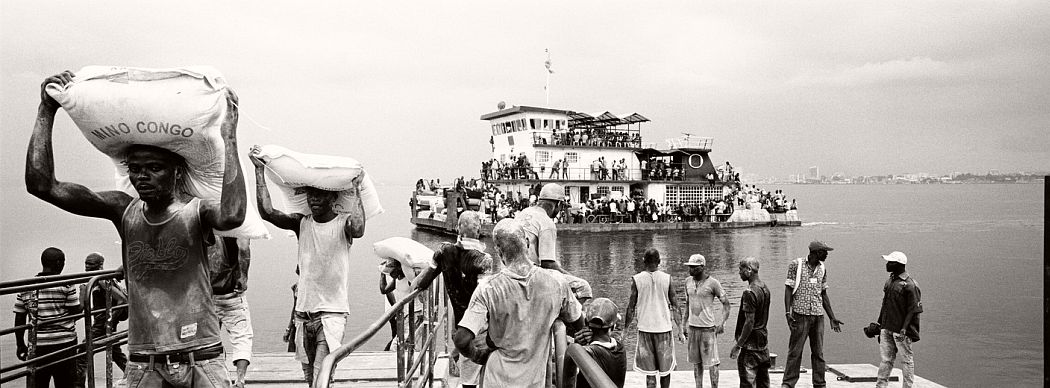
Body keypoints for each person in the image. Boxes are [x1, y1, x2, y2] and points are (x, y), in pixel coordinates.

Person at [26, 72, 245, 387]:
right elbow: (43, 186)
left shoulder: (196, 211)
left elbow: (234, 215)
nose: (143, 177)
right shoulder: (123, 209)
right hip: (145, 361)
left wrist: (229, 136)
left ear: (176, 172)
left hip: (201, 356)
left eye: (154, 168)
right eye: (136, 169)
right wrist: (46, 109)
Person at [250, 147, 366, 387]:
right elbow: (268, 212)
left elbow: (359, 229)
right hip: (304, 316)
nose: (313, 199)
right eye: (310, 195)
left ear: (333, 198)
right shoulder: (301, 223)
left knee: (320, 378)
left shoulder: (344, 225)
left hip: (331, 316)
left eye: (320, 195)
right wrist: (259, 172)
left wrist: (356, 190)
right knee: (309, 379)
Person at [454, 219, 585, 388]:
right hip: (534, 380)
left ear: (499, 252)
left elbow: (462, 339)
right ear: (528, 243)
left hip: (496, 379)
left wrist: (477, 356)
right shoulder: (557, 282)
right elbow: (578, 323)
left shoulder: (488, 288)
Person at [414, 211, 494, 388]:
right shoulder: (483, 259)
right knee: (473, 374)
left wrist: (434, 262)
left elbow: (421, 283)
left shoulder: (444, 251)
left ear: (458, 228)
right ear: (478, 229)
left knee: (468, 367)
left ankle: (456, 354)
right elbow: (486, 296)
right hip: (478, 324)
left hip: (457, 321)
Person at [13, 247, 84, 388]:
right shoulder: (66, 283)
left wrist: (20, 344)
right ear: (58, 263)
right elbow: (76, 311)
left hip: (38, 345)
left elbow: (20, 318)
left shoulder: (26, 285)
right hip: (65, 344)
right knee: (66, 383)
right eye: (63, 261)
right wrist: (83, 294)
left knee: (38, 383)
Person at [782, 241, 844, 388]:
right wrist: (787, 312)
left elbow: (823, 293)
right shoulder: (796, 265)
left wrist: (832, 317)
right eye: (824, 252)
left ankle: (819, 384)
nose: (827, 254)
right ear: (816, 253)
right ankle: (788, 384)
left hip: (817, 315)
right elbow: (788, 289)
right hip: (800, 315)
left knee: (818, 353)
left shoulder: (822, 268)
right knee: (795, 352)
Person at [624, 248, 684, 388]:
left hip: (645, 330)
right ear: (659, 262)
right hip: (664, 330)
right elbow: (676, 306)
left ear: (643, 261)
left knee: (650, 375)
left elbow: (631, 307)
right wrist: (680, 330)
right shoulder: (667, 279)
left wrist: (625, 330)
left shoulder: (637, 280)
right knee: (665, 372)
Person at [209, 237, 254, 388]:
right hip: (232, 293)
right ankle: (240, 379)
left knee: (208, 340)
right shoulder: (234, 221)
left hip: (206, 292)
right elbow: (243, 247)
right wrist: (243, 276)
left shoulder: (203, 218)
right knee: (241, 337)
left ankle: (213, 378)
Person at [875, 251, 922, 388]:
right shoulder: (890, 281)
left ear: (899, 264)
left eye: (890, 262)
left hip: (901, 330)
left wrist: (904, 329)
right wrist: (879, 325)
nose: (887, 264)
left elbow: (913, 310)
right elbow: (885, 304)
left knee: (907, 360)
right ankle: (881, 385)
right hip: (887, 327)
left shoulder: (910, 285)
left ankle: (907, 386)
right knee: (886, 360)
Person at [682, 254, 730, 388]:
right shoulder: (687, 282)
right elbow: (687, 304)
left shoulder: (713, 283)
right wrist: (683, 326)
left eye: (693, 267)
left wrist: (722, 322)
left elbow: (726, 303)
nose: (690, 270)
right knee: (696, 363)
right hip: (693, 327)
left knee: (713, 362)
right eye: (689, 267)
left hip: (708, 329)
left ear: (702, 267)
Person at [81, 253, 129, 380]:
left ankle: (78, 384)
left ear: (100, 265)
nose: (87, 267)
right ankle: (132, 375)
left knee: (82, 352)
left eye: (90, 264)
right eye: (86, 263)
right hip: (105, 322)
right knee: (115, 353)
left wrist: (110, 320)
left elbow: (123, 300)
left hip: (102, 323)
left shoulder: (101, 280)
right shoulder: (100, 278)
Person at [730, 257, 771, 388]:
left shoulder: (750, 292)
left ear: (749, 270)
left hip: (751, 346)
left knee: (747, 382)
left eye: (741, 269)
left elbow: (749, 322)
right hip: (763, 343)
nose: (739, 273)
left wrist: (738, 344)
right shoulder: (765, 288)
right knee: (763, 382)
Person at [569, 298, 627, 388]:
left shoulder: (585, 352)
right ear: (613, 327)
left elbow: (568, 378)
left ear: (586, 323)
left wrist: (577, 345)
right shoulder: (620, 348)